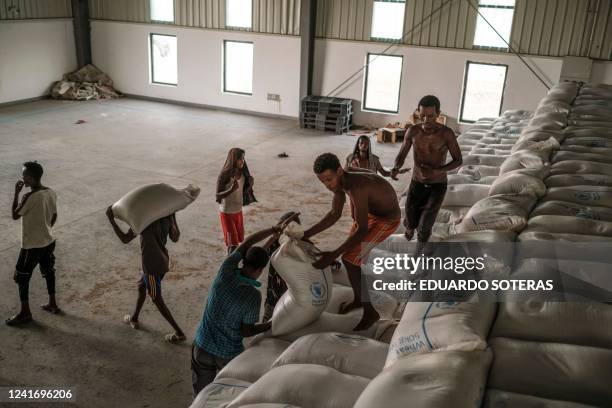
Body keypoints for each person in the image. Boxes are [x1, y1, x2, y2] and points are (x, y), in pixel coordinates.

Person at [191, 215, 297, 396]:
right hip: (227, 355)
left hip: (202, 346)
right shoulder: (252, 297)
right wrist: (273, 322)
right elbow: (246, 331)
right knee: (226, 397)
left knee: (201, 396)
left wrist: (273, 231)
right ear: (260, 270)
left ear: (244, 261)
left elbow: (247, 243)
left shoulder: (226, 270)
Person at [304, 153, 400, 331]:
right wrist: (305, 234)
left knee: (349, 259)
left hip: (387, 219)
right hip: (371, 214)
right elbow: (334, 214)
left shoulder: (357, 187)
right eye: (323, 181)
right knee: (350, 259)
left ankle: (371, 313)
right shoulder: (341, 181)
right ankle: (358, 299)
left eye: (329, 179)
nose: (327, 185)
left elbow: (362, 229)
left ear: (339, 171)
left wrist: (333, 254)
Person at [391, 95, 462, 252]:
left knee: (424, 227)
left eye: (430, 116)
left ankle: (417, 254)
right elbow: (402, 153)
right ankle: (410, 230)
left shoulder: (446, 134)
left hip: (437, 185)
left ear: (438, 114)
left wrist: (437, 170)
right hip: (416, 182)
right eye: (422, 115)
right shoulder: (413, 131)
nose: (426, 119)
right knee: (410, 221)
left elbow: (458, 160)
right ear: (418, 112)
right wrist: (396, 167)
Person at [106, 208, 186, 344]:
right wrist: (173, 216)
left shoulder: (143, 219)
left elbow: (125, 239)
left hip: (151, 267)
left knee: (156, 297)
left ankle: (179, 333)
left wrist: (111, 220)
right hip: (163, 261)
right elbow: (175, 237)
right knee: (141, 286)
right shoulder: (166, 215)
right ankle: (134, 318)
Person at [7, 162, 59, 326]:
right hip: (49, 241)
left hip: (32, 246)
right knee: (48, 270)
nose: (22, 178)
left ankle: (25, 313)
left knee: (20, 277)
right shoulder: (50, 192)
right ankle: (52, 303)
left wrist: (16, 193)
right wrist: (46, 228)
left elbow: (15, 215)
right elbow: (54, 215)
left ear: (30, 178)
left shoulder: (29, 196)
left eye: (24, 175)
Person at [216, 148, 257, 254]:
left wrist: (250, 185)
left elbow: (242, 192)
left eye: (243, 158)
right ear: (233, 159)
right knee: (232, 245)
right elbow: (218, 196)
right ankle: (229, 267)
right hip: (227, 213)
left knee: (238, 241)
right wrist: (230, 189)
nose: (242, 161)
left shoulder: (244, 174)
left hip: (238, 211)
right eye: (239, 159)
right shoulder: (225, 175)